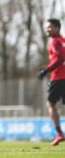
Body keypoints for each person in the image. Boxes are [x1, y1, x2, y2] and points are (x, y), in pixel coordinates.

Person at [38, 18, 65, 146]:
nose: (47, 29)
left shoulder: (55, 42)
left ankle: (59, 133)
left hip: (59, 77)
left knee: (50, 104)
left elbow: (60, 58)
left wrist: (46, 70)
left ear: (57, 28)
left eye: (50, 27)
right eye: (47, 27)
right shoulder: (63, 41)